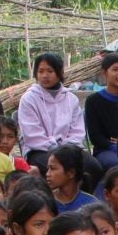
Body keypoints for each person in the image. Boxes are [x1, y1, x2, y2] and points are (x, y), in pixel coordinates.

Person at [17, 53, 94, 184]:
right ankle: (58, 200)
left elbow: (77, 131)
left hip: (69, 150)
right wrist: (54, 148)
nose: (45, 75)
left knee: (93, 167)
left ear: (59, 72)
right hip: (39, 150)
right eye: (40, 71)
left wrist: (66, 148)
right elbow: (32, 135)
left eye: (50, 71)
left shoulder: (71, 99)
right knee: (63, 170)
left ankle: (81, 201)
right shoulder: (29, 99)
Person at [85, 52, 118, 172]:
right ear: (104, 73)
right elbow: (95, 136)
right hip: (106, 150)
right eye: (115, 69)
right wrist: (115, 146)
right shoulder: (93, 101)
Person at [46, 143, 98, 214]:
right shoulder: (46, 203)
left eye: (53, 168)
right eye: (48, 168)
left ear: (71, 173)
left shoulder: (92, 205)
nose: (47, 174)